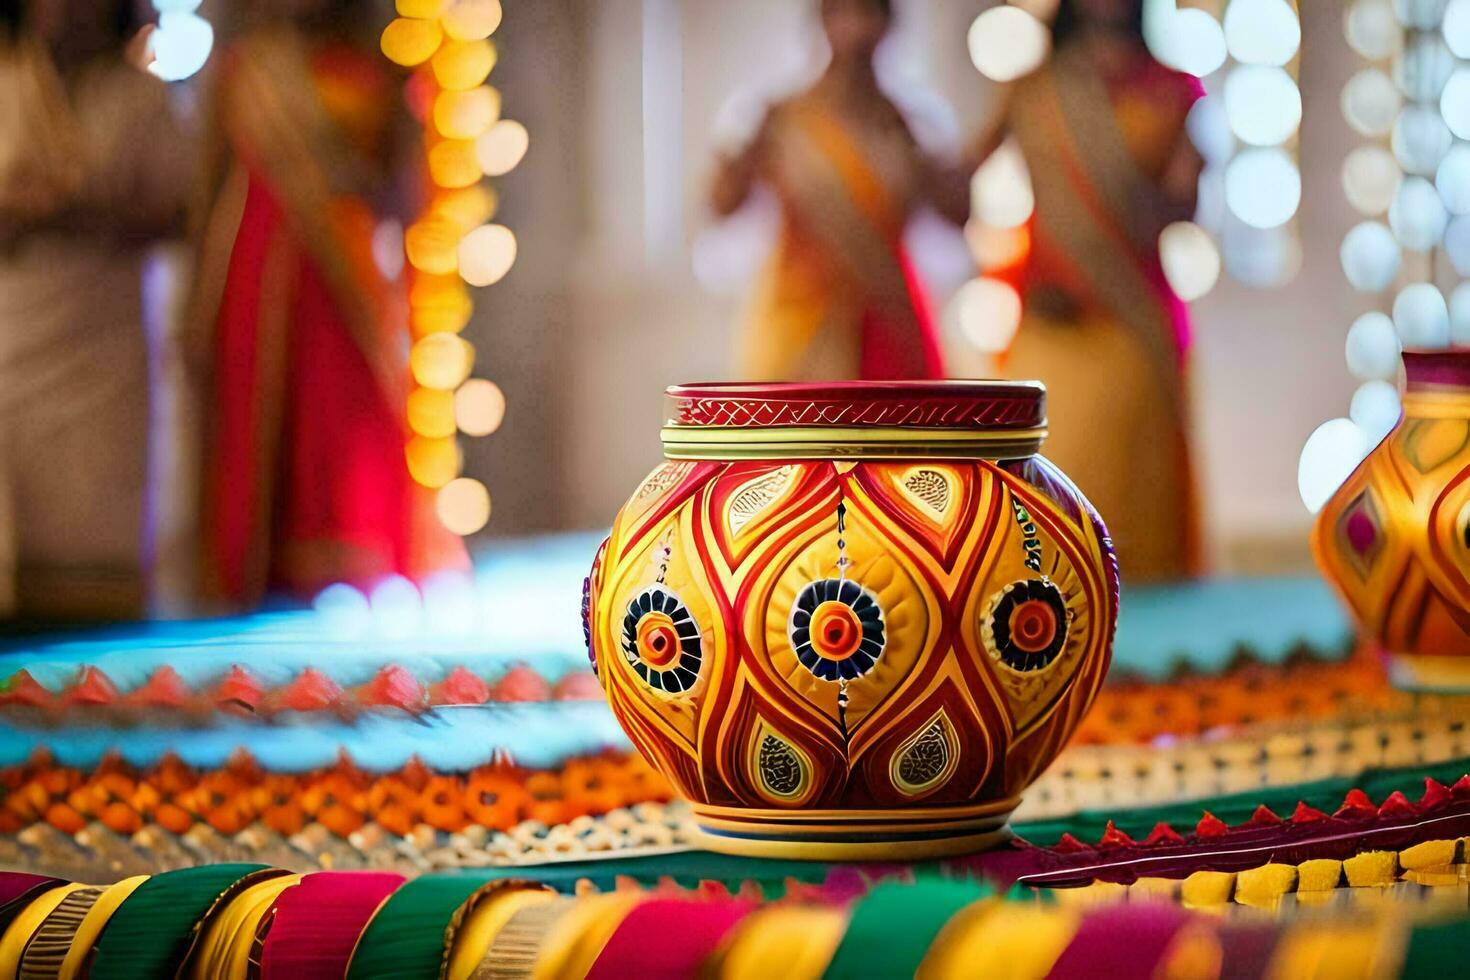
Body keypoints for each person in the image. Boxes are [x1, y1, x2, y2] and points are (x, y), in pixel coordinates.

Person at [191, 0, 465, 608]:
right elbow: (205, 191)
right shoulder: (248, 68)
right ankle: (258, 576)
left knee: (347, 415)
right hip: (260, 277)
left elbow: (404, 187)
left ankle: (355, 565)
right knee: (262, 418)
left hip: (349, 272)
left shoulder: (385, 68)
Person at [978, 0, 1203, 581]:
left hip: (1132, 322)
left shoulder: (1171, 89)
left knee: (1137, 508)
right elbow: (957, 182)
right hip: (1051, 326)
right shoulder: (1036, 88)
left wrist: (1170, 184)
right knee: (1039, 497)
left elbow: (1185, 205)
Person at [0, 0, 188, 620]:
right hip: (14, 337)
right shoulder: (6, 79)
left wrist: (88, 215)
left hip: (103, 348)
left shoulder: (140, 95)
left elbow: (181, 211)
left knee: (94, 533)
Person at [710, 0, 969, 381]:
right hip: (800, 324)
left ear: (888, 25)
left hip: (889, 323)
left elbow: (959, 214)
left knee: (898, 437)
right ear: (822, 21)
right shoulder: (785, 120)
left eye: (869, 13)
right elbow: (721, 203)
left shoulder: (905, 125)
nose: (857, 29)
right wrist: (743, 157)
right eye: (843, 13)